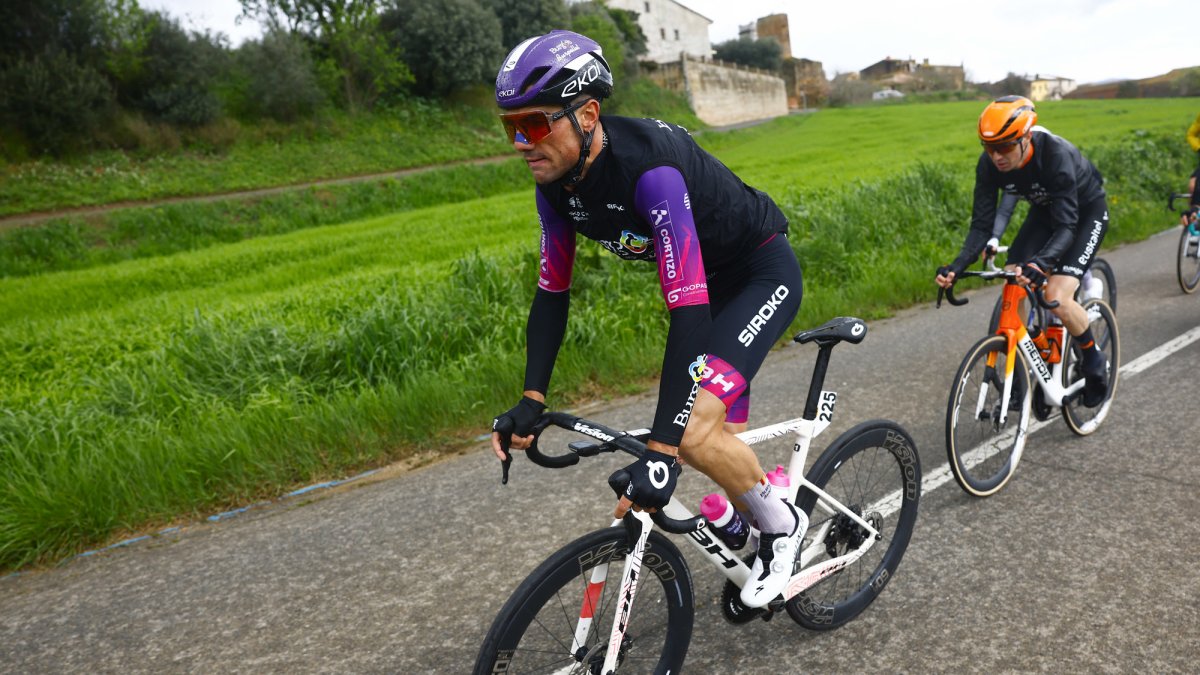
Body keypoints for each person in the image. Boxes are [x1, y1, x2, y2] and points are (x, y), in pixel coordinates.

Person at [488, 30, 804, 609]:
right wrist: (531, 397)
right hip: (706, 290)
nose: (519, 143)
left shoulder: (649, 172)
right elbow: (551, 293)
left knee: (689, 435)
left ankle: (783, 527)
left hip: (758, 274)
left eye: (533, 125)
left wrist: (661, 449)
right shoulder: (557, 189)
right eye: (509, 126)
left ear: (587, 114)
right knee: (709, 447)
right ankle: (742, 526)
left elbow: (687, 309)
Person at [935, 96, 1111, 407]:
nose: (996, 156)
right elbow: (981, 226)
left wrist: (1041, 263)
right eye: (989, 147)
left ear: (1025, 138)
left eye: (1004, 146)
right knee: (1013, 284)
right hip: (1045, 215)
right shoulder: (989, 165)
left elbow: (1067, 227)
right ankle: (1022, 376)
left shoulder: (1055, 155)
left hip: (1083, 214)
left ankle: (1093, 358)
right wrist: (958, 265)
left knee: (1056, 295)